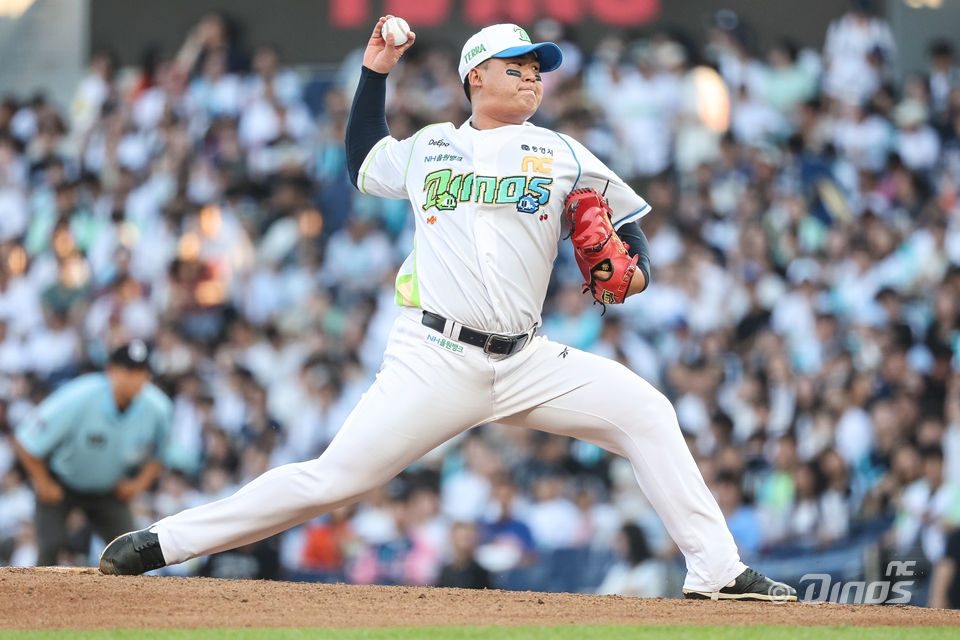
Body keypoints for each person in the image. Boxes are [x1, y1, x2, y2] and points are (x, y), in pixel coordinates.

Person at [99, 16, 796, 602]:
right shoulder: (432, 145)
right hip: (434, 357)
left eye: (537, 69)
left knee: (647, 412)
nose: (532, 77)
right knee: (332, 479)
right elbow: (363, 161)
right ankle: (165, 541)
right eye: (517, 66)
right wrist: (374, 73)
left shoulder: (560, 151)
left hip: (526, 360)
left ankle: (716, 570)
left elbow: (629, 225)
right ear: (476, 77)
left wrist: (634, 274)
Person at [13, 340, 173, 565]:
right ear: (110, 370)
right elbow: (25, 437)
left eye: (142, 372)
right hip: (63, 482)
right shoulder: (80, 395)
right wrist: (43, 482)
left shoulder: (159, 408)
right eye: (129, 371)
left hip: (109, 489)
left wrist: (138, 484)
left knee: (132, 553)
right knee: (51, 546)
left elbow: (161, 454)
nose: (136, 379)